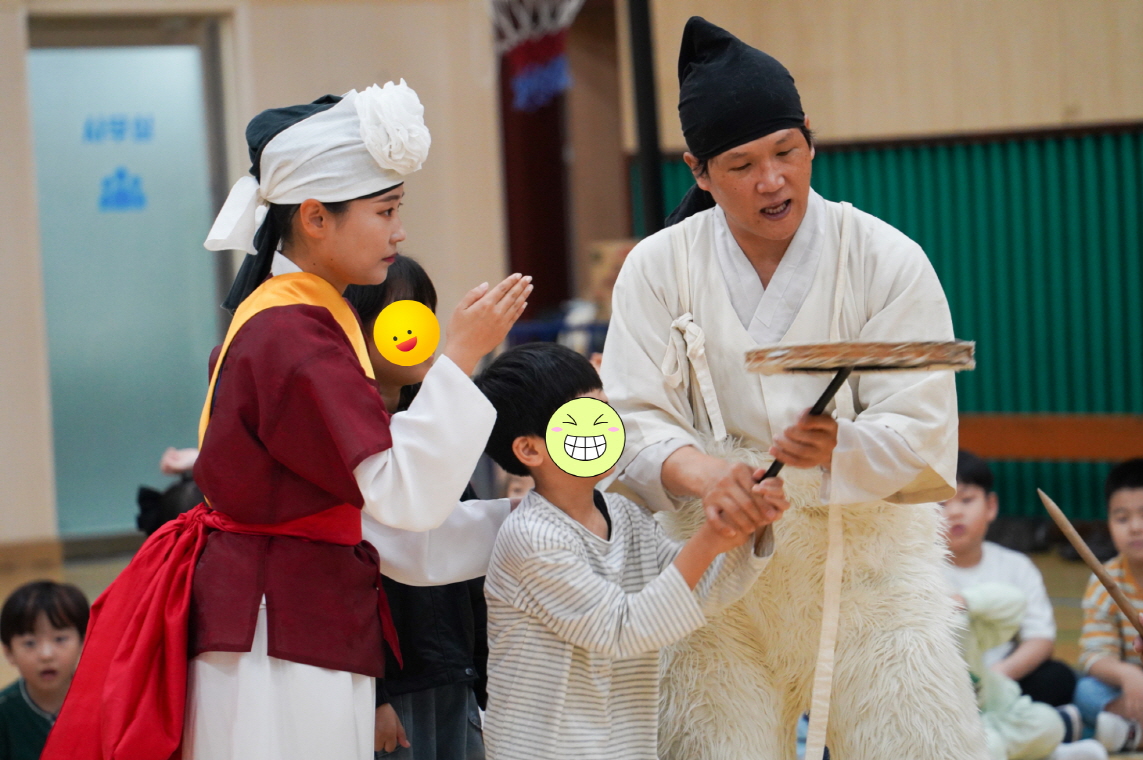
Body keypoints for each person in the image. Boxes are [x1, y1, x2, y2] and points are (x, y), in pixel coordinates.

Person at [42, 81, 531, 760]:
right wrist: (463, 354)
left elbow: (379, 513)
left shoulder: (297, 315)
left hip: (282, 609)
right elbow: (401, 496)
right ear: (315, 217)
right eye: (385, 210)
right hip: (276, 623)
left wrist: (523, 521)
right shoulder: (294, 333)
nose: (399, 231)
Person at [599, 16, 988, 760]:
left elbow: (921, 426)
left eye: (785, 151)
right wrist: (705, 473)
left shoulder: (886, 258)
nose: (772, 180)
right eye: (741, 165)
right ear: (698, 172)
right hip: (714, 562)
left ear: (810, 140)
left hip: (865, 564)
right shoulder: (656, 266)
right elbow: (631, 416)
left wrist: (838, 444)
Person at [474, 342, 788, 760]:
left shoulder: (624, 514)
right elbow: (622, 630)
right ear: (530, 449)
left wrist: (752, 522)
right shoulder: (532, 537)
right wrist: (709, 539)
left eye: (607, 412)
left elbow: (697, 592)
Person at [343, 256, 493, 760]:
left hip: (453, 674)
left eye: (426, 312)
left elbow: (468, 569)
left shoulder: (429, 432)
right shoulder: (344, 439)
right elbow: (343, 579)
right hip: (393, 690)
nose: (421, 331)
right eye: (402, 313)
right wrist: (375, 694)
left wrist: (482, 675)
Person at [942, 450, 1077, 706]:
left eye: (967, 500)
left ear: (991, 506)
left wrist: (995, 678)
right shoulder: (918, 571)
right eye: (941, 504)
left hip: (1004, 677)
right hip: (943, 683)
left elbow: (1040, 638)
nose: (954, 512)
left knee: (1058, 678)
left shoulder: (1017, 566)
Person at [955, 583, 1106, 760]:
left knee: (1049, 722)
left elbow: (1015, 602)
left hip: (992, 712)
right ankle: (1038, 753)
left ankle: (1042, 752)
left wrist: (965, 600)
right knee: (989, 746)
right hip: (954, 729)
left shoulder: (956, 623)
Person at [1074, 459, 1143, 753]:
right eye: (1122, 518)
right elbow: (1094, 655)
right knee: (1085, 691)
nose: (1135, 527)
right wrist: (1128, 675)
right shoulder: (1105, 580)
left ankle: (1127, 733)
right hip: (1131, 692)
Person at [0, 582, 88, 760]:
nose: (46, 655)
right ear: (9, 652)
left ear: (83, 641)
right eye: (30, 643)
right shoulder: (4, 711)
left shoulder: (103, 704)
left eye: (60, 639)